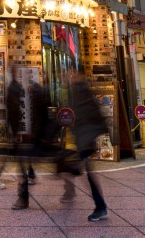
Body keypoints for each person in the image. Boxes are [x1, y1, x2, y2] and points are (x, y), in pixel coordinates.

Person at [61, 69, 109, 222]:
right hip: (84, 138)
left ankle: (100, 207)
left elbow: (84, 115)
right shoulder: (80, 91)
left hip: (85, 139)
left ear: (80, 76)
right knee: (82, 171)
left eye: (73, 74)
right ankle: (72, 192)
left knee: (82, 171)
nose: (71, 77)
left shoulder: (80, 92)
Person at [0, 66, 35, 205]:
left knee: (14, 156)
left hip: (13, 129)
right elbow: (14, 110)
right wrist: (14, 132)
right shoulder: (14, 88)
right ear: (15, 73)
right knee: (16, 156)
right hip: (14, 130)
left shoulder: (12, 87)